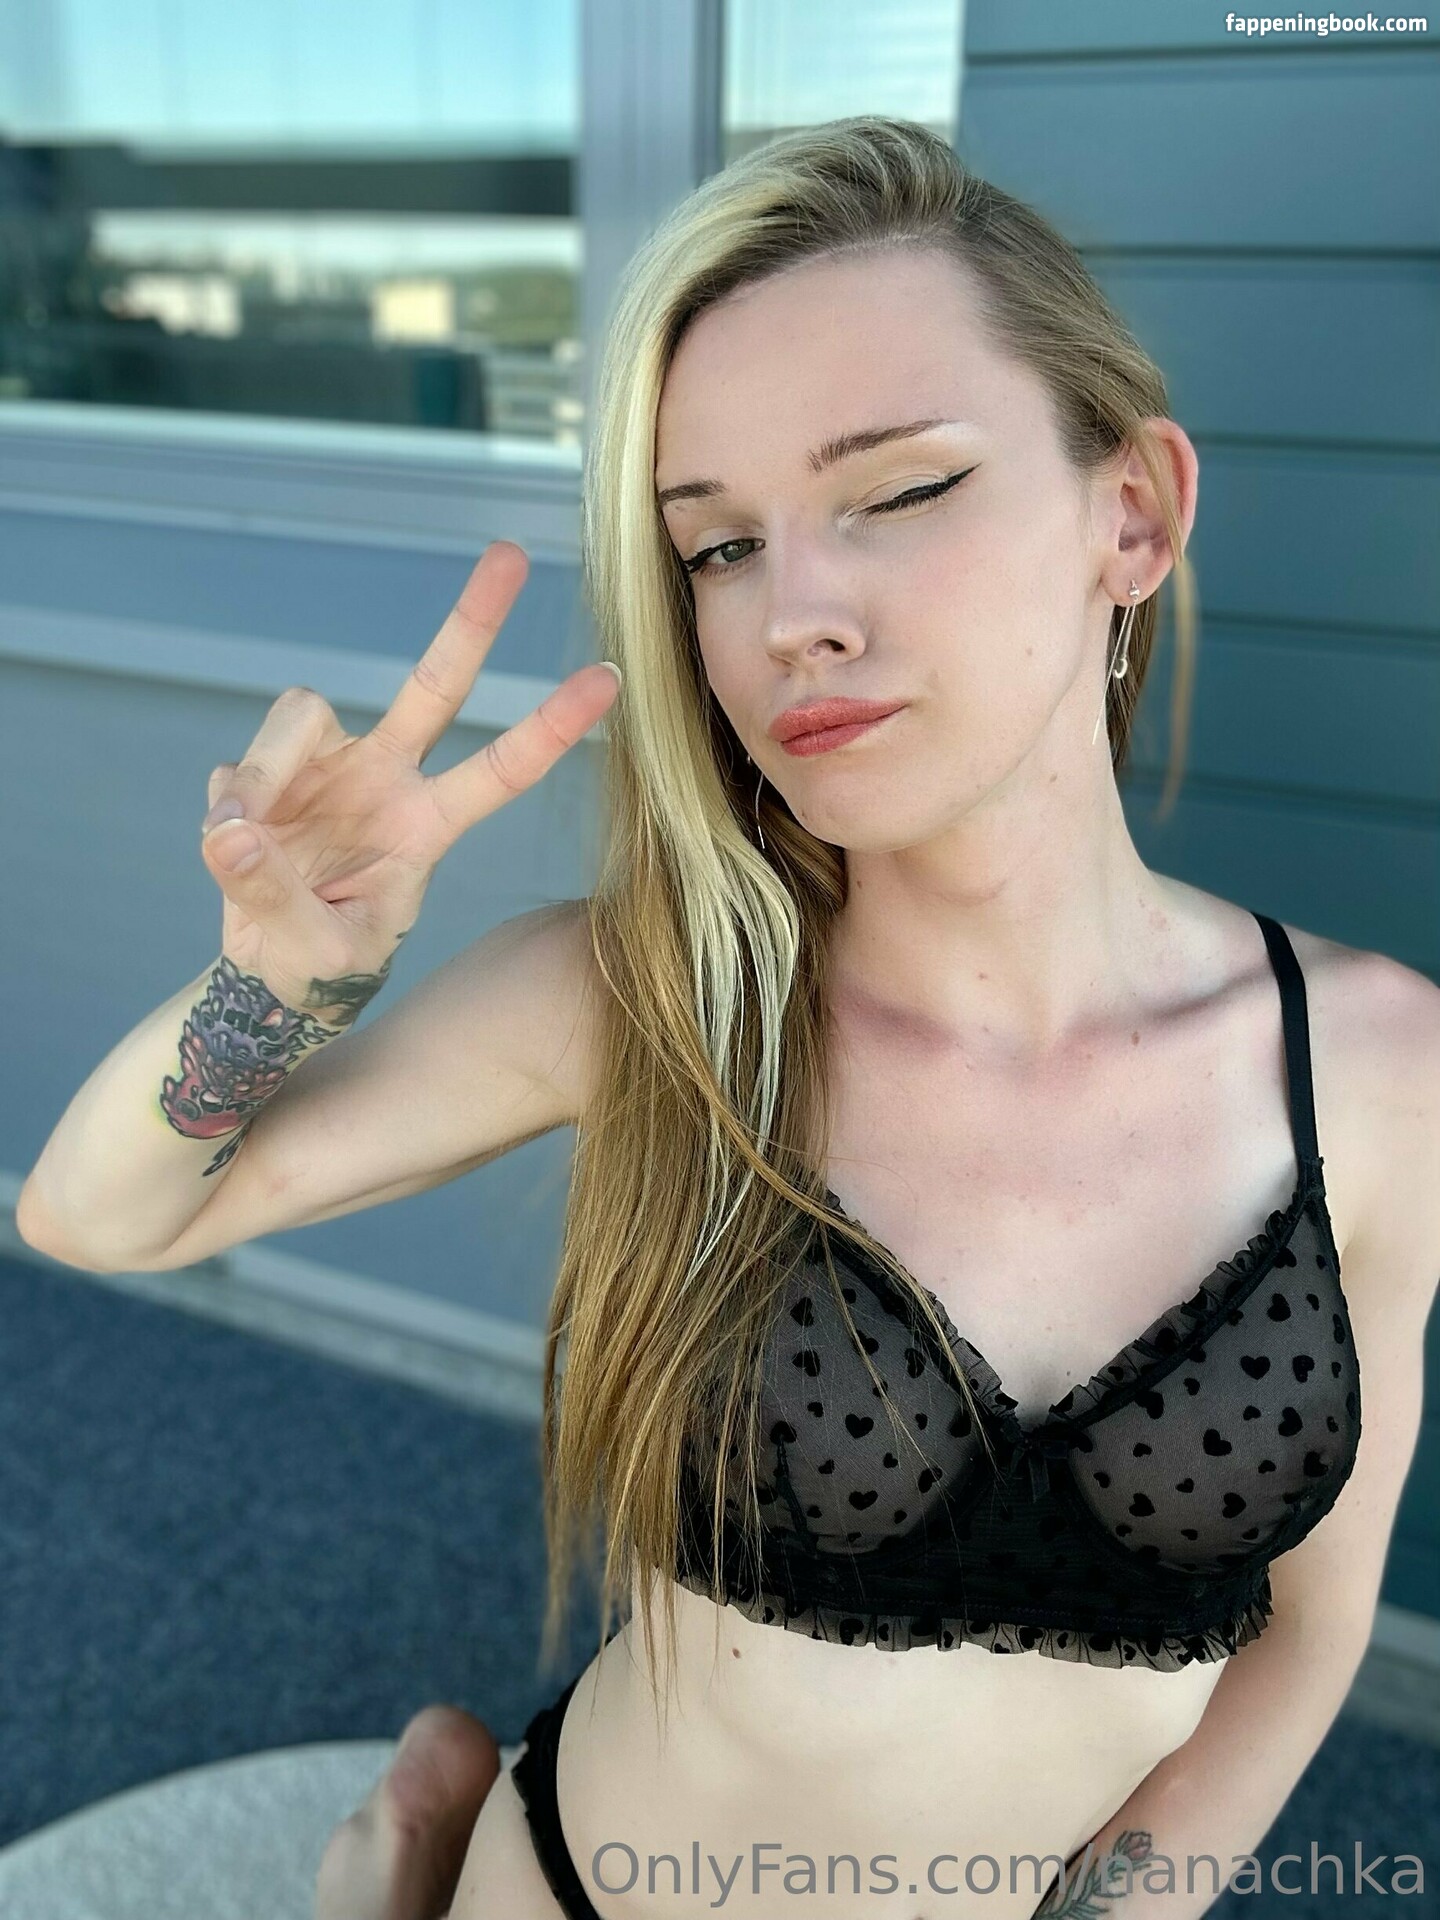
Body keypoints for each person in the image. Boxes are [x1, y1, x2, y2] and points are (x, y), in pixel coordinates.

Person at [19, 118, 1437, 1920]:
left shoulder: (1379, 1070)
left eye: (900, 492)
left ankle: (400, 1841)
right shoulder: (650, 1003)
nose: (793, 618)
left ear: (1132, 514)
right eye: (718, 546)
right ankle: (422, 1855)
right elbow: (96, 1216)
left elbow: (1306, 1629)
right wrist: (280, 982)